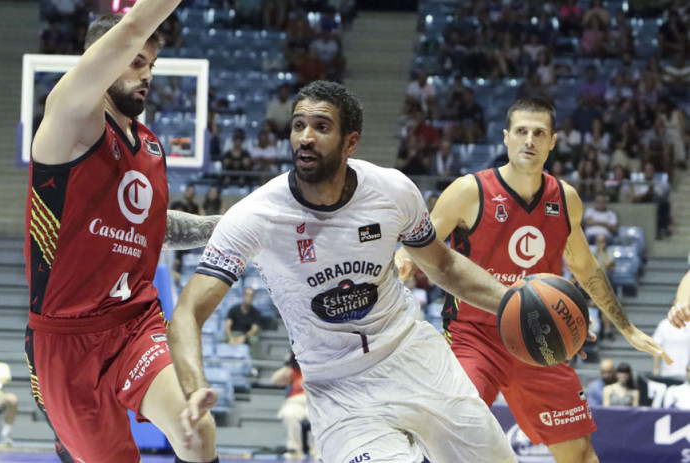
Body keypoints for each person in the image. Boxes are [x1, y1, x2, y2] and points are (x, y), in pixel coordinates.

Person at [168, 81, 516, 463]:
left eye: (321, 127)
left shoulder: (393, 190)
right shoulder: (255, 216)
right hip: (338, 389)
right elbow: (188, 311)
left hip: (414, 358)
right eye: (298, 125)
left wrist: (514, 301)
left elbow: (443, 265)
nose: (305, 137)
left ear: (350, 143)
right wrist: (194, 385)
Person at [400, 97, 670, 463]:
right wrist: (401, 259)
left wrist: (626, 327)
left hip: (539, 339)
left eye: (539, 133)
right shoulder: (469, 190)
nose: (530, 140)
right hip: (473, 338)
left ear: (553, 142)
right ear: (506, 137)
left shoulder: (566, 199)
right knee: (452, 440)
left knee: (579, 454)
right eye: (522, 132)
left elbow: (586, 268)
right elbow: (420, 244)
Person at [24, 4, 222, 462]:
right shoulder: (70, 120)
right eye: (136, 61)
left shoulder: (150, 145)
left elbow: (155, 226)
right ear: (104, 57)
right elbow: (133, 24)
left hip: (134, 322)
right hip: (65, 337)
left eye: (151, 65)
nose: (147, 74)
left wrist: (231, 227)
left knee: (197, 432)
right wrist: (137, 28)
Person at [271, 352, 319, 461]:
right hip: (295, 402)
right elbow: (275, 380)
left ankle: (317, 451)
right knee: (289, 415)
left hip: (313, 402)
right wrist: (288, 364)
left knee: (319, 417)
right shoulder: (292, 371)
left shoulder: (316, 370)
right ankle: (294, 450)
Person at [224, 287, 261, 354]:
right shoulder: (233, 309)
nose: (249, 298)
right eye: (247, 295)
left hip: (246, 335)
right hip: (233, 333)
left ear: (253, 298)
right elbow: (227, 326)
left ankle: (252, 363)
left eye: (251, 296)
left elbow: (254, 329)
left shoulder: (256, 312)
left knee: (254, 340)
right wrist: (230, 337)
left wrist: (244, 337)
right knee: (222, 340)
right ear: (243, 296)